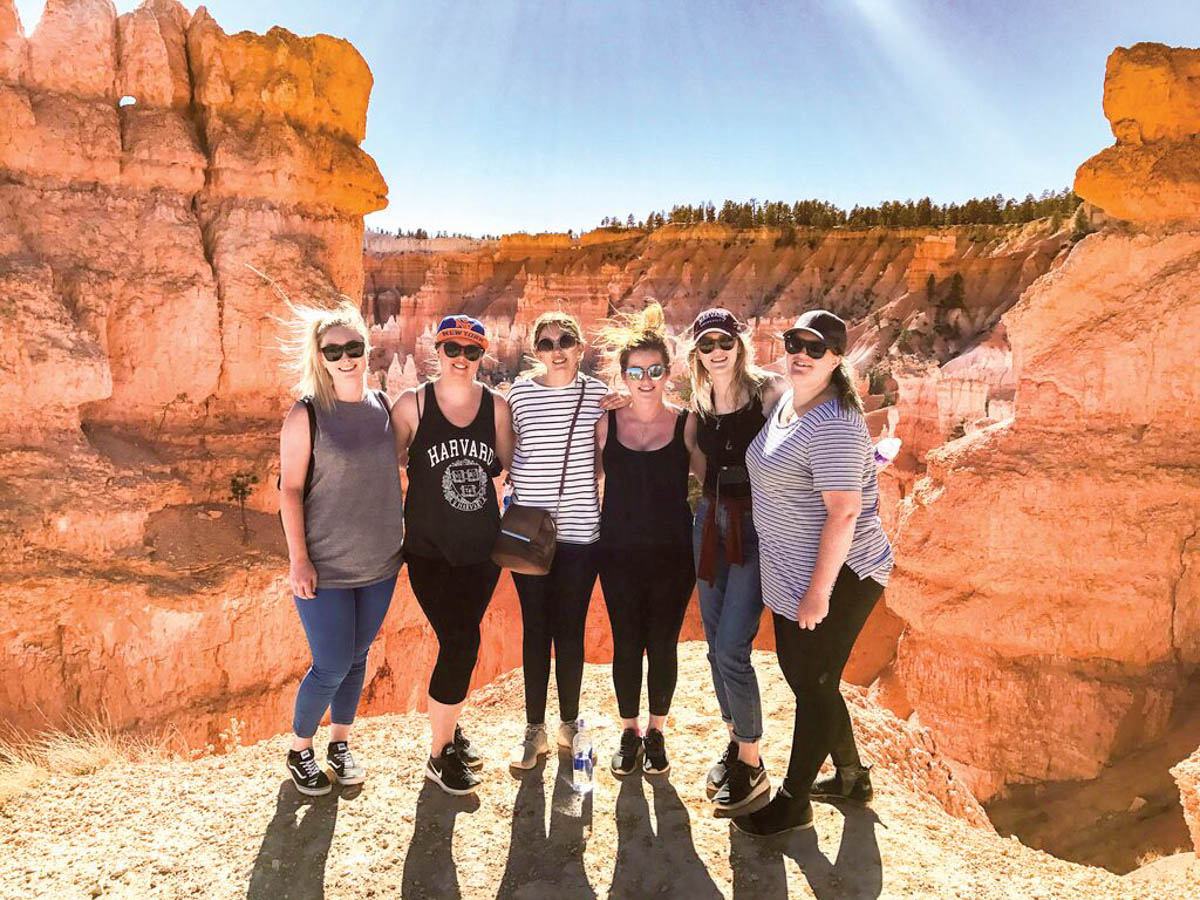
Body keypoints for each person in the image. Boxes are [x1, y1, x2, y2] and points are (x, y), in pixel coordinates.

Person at [735, 309, 894, 836]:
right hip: (791, 568)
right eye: (794, 342)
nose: (801, 353)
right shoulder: (789, 401)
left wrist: (819, 592)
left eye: (816, 347)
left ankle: (794, 799)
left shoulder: (835, 422)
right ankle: (851, 778)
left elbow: (844, 512)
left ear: (838, 357)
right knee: (810, 680)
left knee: (814, 684)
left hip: (841, 574)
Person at [278, 299, 404, 797]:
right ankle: (299, 749)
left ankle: (341, 743)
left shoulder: (382, 408)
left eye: (354, 347)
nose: (346, 357)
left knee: (356, 658)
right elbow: (288, 490)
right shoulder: (305, 415)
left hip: (380, 563)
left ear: (368, 348)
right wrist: (299, 559)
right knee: (330, 662)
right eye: (335, 351)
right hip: (325, 567)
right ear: (321, 357)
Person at [392, 315, 514, 795]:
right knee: (460, 642)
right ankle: (439, 755)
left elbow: (504, 470)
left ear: (482, 357)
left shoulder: (497, 409)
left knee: (462, 642)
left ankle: (450, 729)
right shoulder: (411, 406)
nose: (461, 360)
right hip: (428, 552)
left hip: (482, 552)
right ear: (436, 351)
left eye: (472, 352)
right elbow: (382, 469)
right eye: (452, 349)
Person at [685, 308, 786, 816]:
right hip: (709, 522)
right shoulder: (700, 402)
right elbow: (696, 464)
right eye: (707, 345)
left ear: (739, 344)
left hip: (753, 527)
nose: (717, 351)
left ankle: (752, 759)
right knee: (711, 644)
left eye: (724, 341)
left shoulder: (767, 394)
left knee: (732, 647)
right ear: (697, 354)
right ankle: (733, 741)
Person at [595, 302, 703, 777]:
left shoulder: (686, 423)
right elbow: (579, 475)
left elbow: (714, 477)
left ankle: (657, 731)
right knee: (625, 643)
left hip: (672, 557)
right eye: (636, 371)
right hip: (616, 553)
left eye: (655, 370)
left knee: (662, 644)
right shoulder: (606, 423)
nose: (645, 379)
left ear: (667, 372)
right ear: (623, 375)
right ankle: (629, 731)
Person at [506, 311, 611, 769]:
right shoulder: (519, 396)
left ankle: (569, 722)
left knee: (570, 629)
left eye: (565, 340)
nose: (557, 350)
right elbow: (507, 456)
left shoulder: (599, 396)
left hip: (580, 533)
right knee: (535, 629)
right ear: (536, 351)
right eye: (546, 343)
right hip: (529, 534)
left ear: (580, 346)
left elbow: (608, 456)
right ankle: (535, 730)